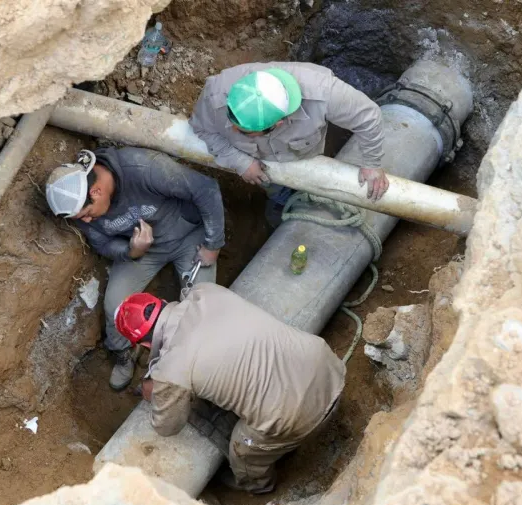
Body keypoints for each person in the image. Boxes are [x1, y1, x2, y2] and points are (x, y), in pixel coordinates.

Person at [114, 283, 345, 494]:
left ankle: (258, 487)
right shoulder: (204, 292)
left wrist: (155, 392)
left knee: (241, 451)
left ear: (144, 344)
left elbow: (167, 427)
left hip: (298, 416)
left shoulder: (172, 370)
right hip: (326, 366)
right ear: (160, 302)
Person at [44, 147, 225, 390]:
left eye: (87, 214)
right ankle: (123, 355)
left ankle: (178, 369)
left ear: (96, 192)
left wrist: (213, 244)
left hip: (190, 237)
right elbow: (102, 243)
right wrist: (131, 251)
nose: (86, 222)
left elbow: (206, 189)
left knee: (203, 307)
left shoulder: (143, 169)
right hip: (144, 252)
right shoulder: (82, 208)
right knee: (115, 306)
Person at [189, 61, 390, 224]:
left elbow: (370, 117)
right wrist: (240, 161)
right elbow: (202, 129)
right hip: (260, 163)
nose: (233, 131)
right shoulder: (215, 93)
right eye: (233, 124)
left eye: (245, 132)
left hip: (303, 156)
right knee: (273, 187)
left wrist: (371, 163)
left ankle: (307, 195)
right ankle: (281, 198)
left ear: (278, 123)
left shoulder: (324, 93)